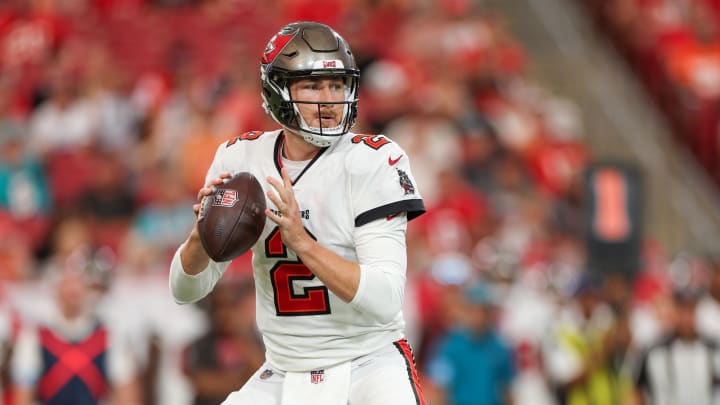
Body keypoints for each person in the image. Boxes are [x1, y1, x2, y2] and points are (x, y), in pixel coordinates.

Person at [169, 21, 426, 405]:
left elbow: (386, 298)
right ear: (277, 91)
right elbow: (185, 290)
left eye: (337, 84)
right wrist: (201, 236)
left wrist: (302, 243)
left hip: (368, 363)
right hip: (284, 369)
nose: (328, 98)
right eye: (312, 85)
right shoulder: (241, 159)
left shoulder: (373, 161)